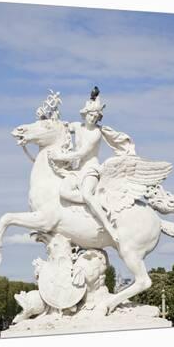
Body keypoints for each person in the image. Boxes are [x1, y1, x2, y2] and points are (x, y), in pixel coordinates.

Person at [48, 87, 118, 237]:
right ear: (85, 114)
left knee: (86, 194)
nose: (92, 118)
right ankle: (91, 208)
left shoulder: (96, 133)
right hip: (77, 170)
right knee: (62, 192)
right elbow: (62, 128)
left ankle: (108, 225)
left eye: (95, 116)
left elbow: (81, 153)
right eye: (90, 115)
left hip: (91, 169)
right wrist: (52, 117)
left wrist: (59, 157)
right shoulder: (77, 126)